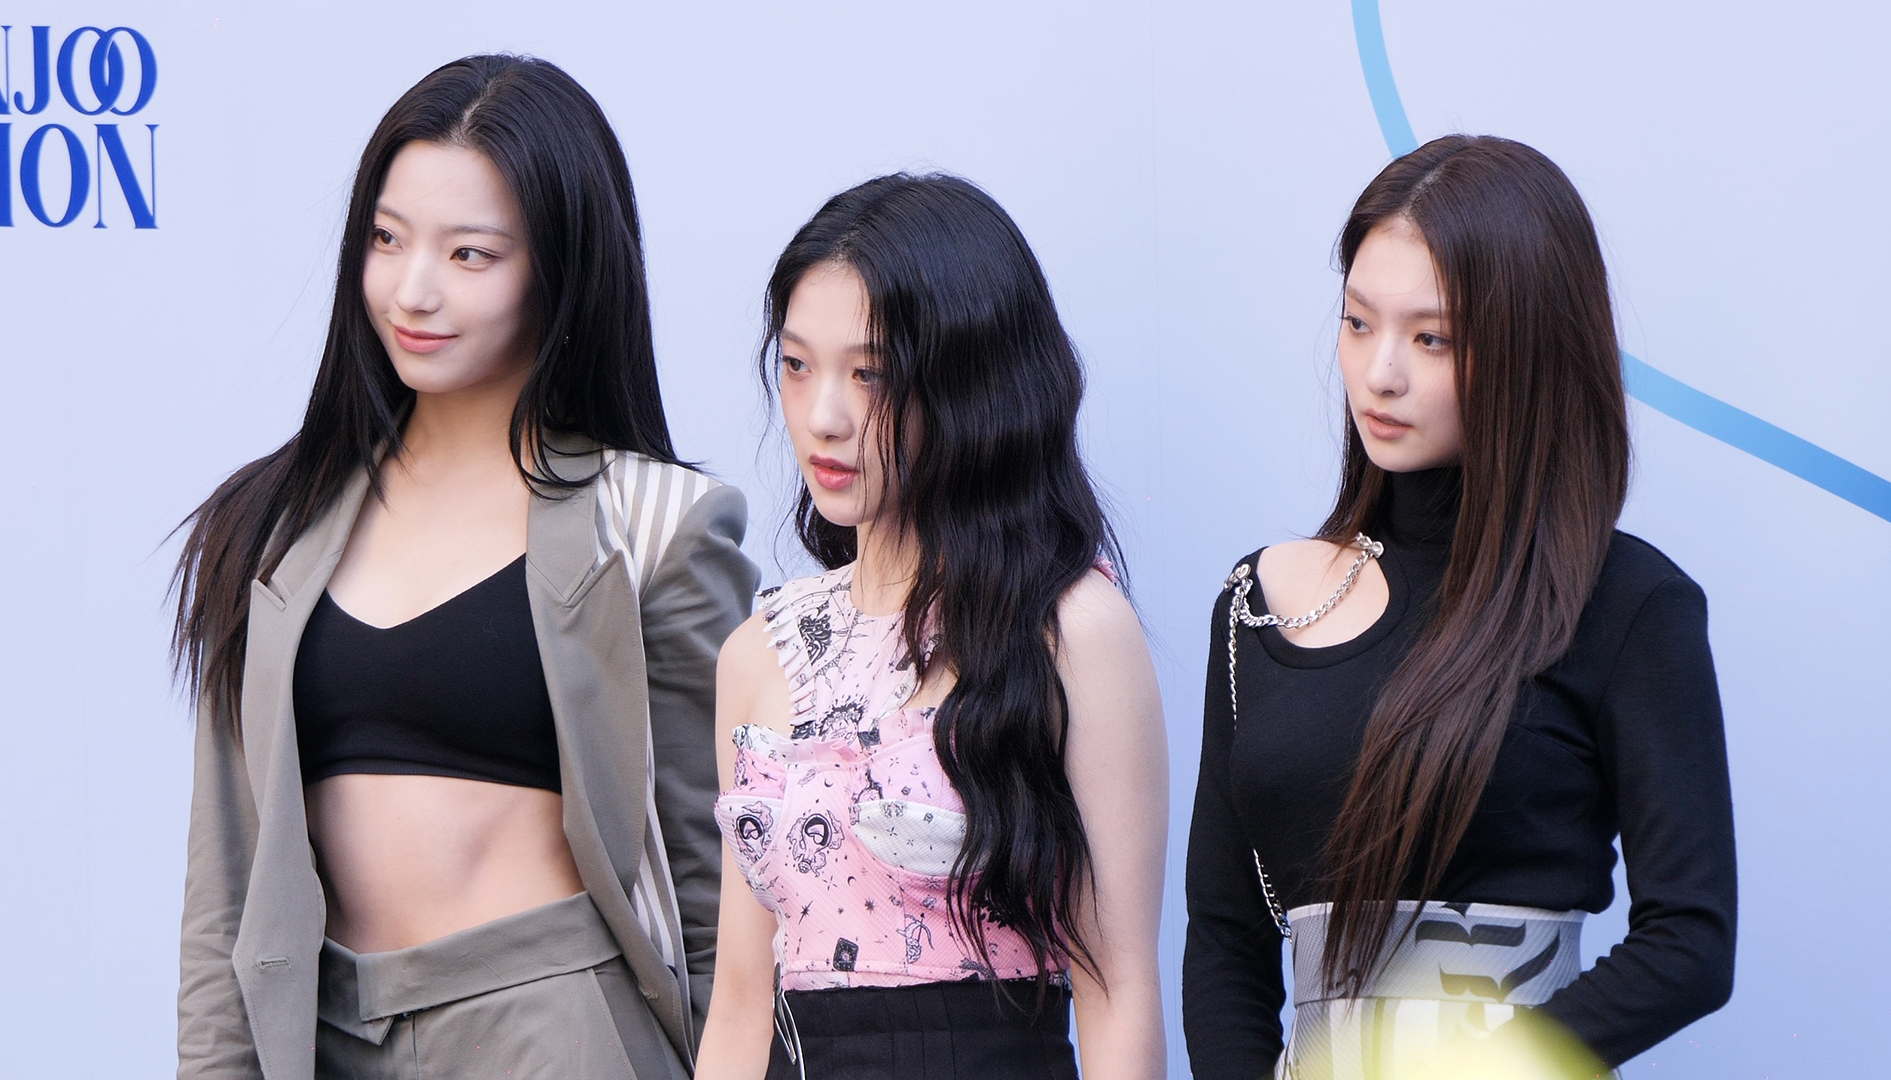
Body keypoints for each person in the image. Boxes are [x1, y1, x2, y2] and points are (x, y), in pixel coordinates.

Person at [171, 55, 756, 1080]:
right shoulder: (271, 523)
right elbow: (225, 891)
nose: (414, 289)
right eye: (386, 240)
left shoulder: (655, 525)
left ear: (559, 270)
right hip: (322, 1033)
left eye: (470, 254)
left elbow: (720, 894)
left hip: (553, 1033)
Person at [1182, 135, 1737, 1079]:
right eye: (1359, 323)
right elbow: (1225, 937)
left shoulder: (1629, 605)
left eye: (1430, 338)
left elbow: (1690, 942)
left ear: (1528, 346)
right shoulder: (1261, 603)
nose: (1381, 372)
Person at [695, 174, 1170, 1080]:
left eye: (869, 374)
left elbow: (1118, 991)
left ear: (972, 385)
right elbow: (741, 1002)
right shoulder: (759, 653)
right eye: (796, 365)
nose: (824, 416)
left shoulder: (1070, 630)